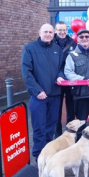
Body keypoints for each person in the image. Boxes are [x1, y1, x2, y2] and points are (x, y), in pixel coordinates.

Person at [21, 23, 65, 161]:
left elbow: (61, 68)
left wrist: (60, 75)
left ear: (54, 34)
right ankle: (38, 157)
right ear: (39, 32)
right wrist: (37, 90)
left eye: (51, 32)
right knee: (39, 128)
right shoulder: (30, 48)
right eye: (45, 32)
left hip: (55, 95)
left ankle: (48, 154)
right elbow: (26, 72)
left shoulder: (57, 49)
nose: (48, 35)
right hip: (39, 96)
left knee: (50, 128)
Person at [54, 21, 77, 138]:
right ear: (55, 31)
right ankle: (57, 134)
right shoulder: (51, 42)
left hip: (69, 80)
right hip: (55, 80)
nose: (62, 32)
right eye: (59, 30)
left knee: (70, 107)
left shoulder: (73, 43)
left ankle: (70, 133)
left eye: (64, 30)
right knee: (56, 108)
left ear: (67, 30)